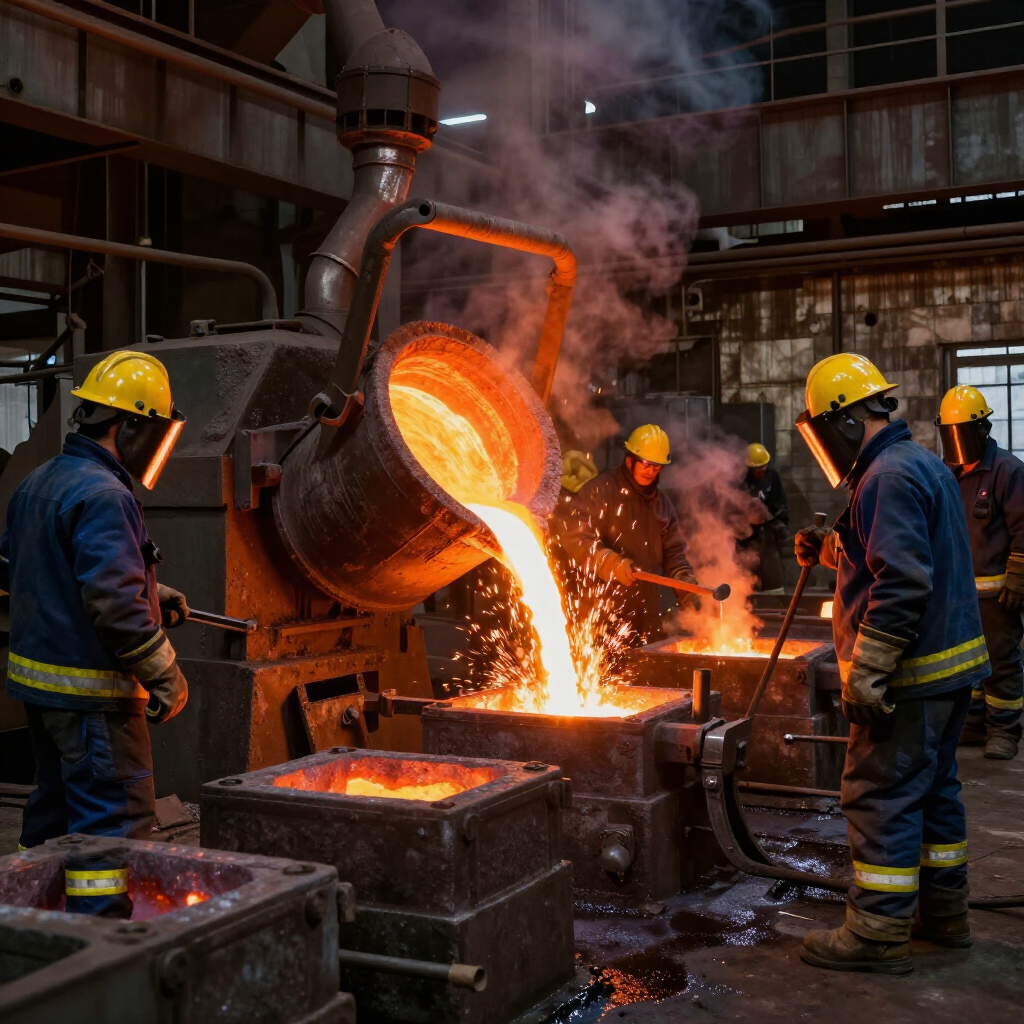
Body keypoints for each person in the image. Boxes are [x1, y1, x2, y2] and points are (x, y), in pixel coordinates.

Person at [792, 353, 989, 973]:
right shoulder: (917, 464)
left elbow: (900, 581)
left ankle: (877, 934)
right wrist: (829, 550)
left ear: (845, 421)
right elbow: (888, 552)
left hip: (911, 678)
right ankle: (944, 916)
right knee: (935, 795)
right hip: (950, 674)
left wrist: (870, 669)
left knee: (879, 795)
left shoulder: (886, 477)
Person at [0, 351, 190, 917]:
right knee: (112, 823)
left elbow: (31, 566)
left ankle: (31, 923)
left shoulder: (41, 480)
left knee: (53, 812)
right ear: (127, 424)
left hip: (42, 693)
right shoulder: (107, 495)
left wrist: (148, 589)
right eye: (150, 429)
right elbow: (113, 607)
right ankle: (102, 951)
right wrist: (165, 676)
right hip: (94, 700)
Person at [936, 384, 1024, 760]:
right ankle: (972, 725)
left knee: (1000, 663)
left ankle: (1004, 730)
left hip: (996, 596)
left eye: (962, 433)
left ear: (982, 429)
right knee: (967, 664)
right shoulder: (946, 474)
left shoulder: (1007, 470)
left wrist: (1019, 574)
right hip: (958, 594)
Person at [555, 424, 698, 643]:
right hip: (603, 610)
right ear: (630, 459)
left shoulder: (662, 504)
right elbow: (575, 537)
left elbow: (674, 554)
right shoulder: (600, 491)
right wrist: (609, 563)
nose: (651, 471)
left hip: (647, 612)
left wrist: (686, 588)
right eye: (647, 464)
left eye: (657, 467)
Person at [743, 442, 789, 594]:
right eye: (758, 469)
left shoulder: (772, 477)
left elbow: (780, 501)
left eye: (764, 467)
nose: (762, 471)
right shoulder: (740, 482)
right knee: (746, 576)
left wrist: (781, 522)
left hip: (767, 533)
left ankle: (775, 601)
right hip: (745, 536)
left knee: (772, 574)